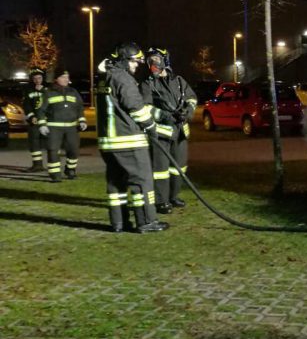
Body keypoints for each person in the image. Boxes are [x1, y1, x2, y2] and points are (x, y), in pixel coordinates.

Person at [94, 43, 168, 234]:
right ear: (125, 60)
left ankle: (119, 222)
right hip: (128, 140)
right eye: (135, 62)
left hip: (108, 142)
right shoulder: (123, 78)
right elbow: (135, 106)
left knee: (116, 183)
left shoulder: (104, 78)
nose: (137, 66)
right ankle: (147, 221)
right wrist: (151, 126)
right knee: (142, 181)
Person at [140, 46, 197, 213]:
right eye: (150, 60)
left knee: (178, 167)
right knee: (160, 170)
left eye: (156, 59)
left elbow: (192, 98)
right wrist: (165, 115)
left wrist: (188, 111)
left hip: (180, 133)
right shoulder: (147, 84)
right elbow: (146, 108)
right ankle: (161, 201)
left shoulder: (178, 81)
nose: (152, 63)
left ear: (165, 60)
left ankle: (174, 196)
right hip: (161, 134)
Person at [38, 69, 86, 181]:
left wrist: (82, 120)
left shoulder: (73, 91)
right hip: (54, 127)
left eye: (67, 77)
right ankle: (55, 174)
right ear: (56, 79)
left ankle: (70, 170)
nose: (66, 79)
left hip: (71, 127)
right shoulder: (48, 92)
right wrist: (42, 125)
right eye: (63, 77)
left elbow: (79, 108)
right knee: (53, 150)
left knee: (73, 150)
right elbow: (41, 110)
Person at [21, 68, 47, 172]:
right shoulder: (28, 90)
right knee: (34, 143)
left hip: (47, 121)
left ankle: (54, 165)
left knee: (52, 143)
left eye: (39, 78)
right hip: (34, 121)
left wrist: (43, 90)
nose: (37, 80)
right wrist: (31, 117)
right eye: (35, 78)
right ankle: (37, 165)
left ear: (43, 78)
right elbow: (26, 105)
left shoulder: (48, 89)